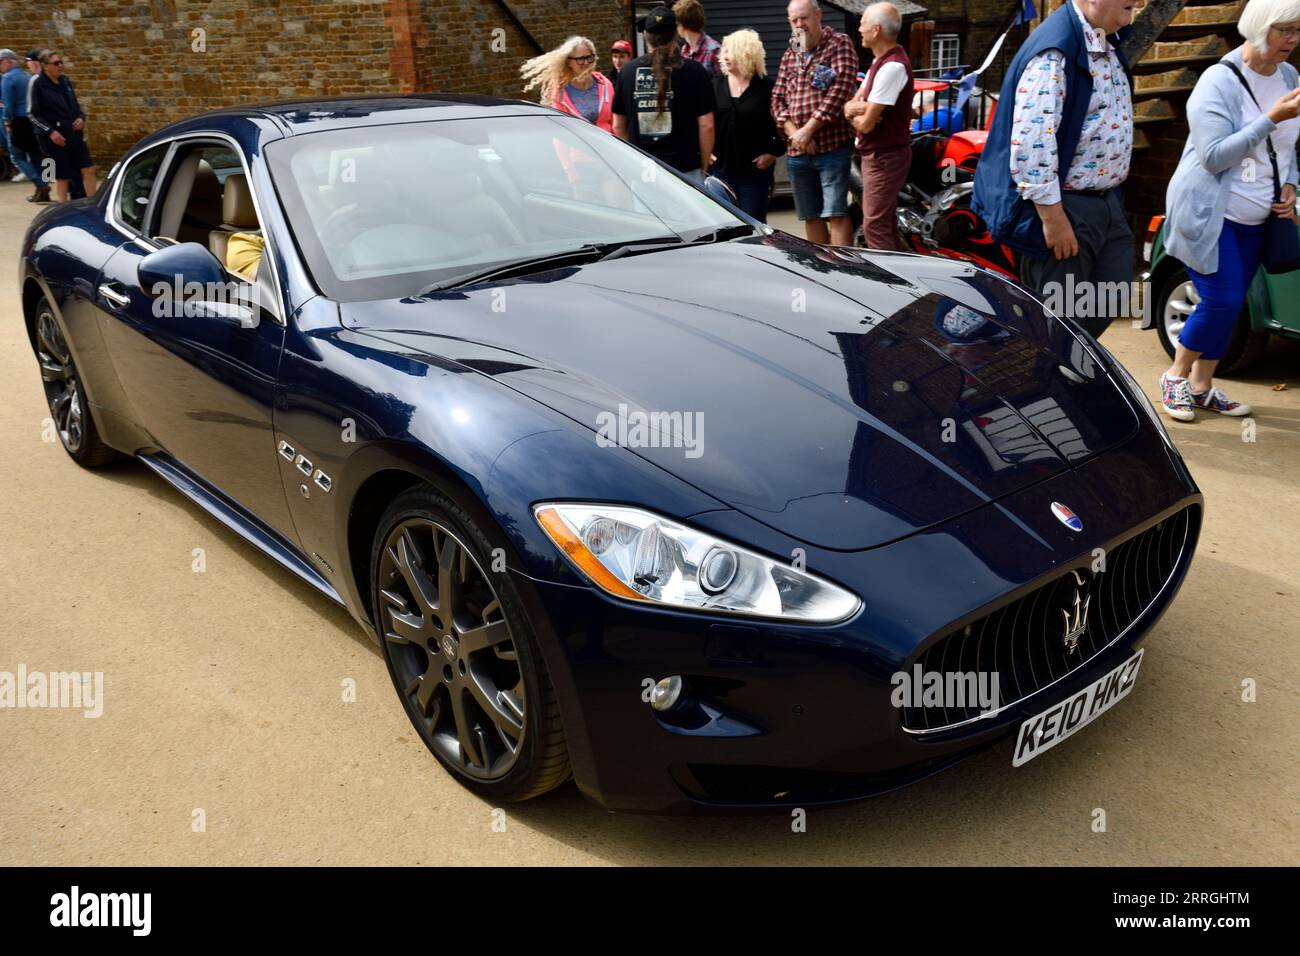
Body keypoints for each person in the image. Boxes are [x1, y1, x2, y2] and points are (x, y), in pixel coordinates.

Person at [1158, 0, 1300, 421]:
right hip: (1212, 214)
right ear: (1259, 28)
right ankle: (1175, 376)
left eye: (1297, 30)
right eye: (1284, 30)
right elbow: (1215, 155)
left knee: (1233, 300)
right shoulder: (1217, 82)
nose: (1293, 39)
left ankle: (1202, 387)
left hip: (1261, 216)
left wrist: (1290, 183)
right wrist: (1270, 118)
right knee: (1221, 299)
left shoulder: (1289, 75)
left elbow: (1288, 147)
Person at [973, 0, 1137, 340]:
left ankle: (1069, 371)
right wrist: (1052, 218)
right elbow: (1033, 140)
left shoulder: (1106, 39)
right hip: (1067, 208)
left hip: (1104, 202)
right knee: (1059, 325)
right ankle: (1052, 382)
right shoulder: (1055, 48)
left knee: (1110, 296)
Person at [771, 0, 860, 246]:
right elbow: (777, 98)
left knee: (836, 213)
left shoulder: (838, 44)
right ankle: (823, 270)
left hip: (832, 148)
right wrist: (795, 134)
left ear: (818, 15)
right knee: (810, 216)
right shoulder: (794, 50)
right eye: (794, 20)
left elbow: (840, 91)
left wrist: (808, 130)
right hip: (798, 150)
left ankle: (845, 271)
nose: (800, 24)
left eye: (804, 18)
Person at [613, 5, 716, 185]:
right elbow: (707, 125)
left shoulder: (627, 72)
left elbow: (619, 126)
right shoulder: (694, 71)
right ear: (675, 34)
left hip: (642, 172)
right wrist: (703, 166)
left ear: (646, 36)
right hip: (686, 170)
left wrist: (631, 161)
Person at [844, 3, 913, 249]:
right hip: (879, 156)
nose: (859, 29)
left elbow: (865, 125)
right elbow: (853, 105)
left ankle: (889, 283)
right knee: (884, 223)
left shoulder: (891, 67)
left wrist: (852, 113)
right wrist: (852, 109)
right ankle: (902, 277)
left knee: (875, 225)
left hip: (884, 157)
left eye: (862, 23)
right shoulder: (880, 62)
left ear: (875, 30)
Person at [710, 29, 784, 220]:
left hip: (754, 173)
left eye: (730, 51)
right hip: (720, 170)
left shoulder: (768, 88)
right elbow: (704, 122)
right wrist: (706, 151)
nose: (724, 56)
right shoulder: (714, 86)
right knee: (723, 224)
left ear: (746, 52)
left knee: (753, 223)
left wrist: (773, 152)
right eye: (724, 51)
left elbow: (782, 124)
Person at [28, 50, 97, 202]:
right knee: (62, 177)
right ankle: (62, 207)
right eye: (56, 63)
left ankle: (93, 203)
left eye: (61, 62)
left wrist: (80, 118)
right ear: (45, 66)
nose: (60, 65)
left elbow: (76, 105)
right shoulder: (37, 84)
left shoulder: (65, 81)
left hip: (74, 134)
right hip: (54, 139)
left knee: (89, 169)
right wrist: (51, 132)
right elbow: (32, 114)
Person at [521, 35, 615, 133]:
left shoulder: (605, 85)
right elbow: (560, 131)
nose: (586, 62)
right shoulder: (559, 93)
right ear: (568, 62)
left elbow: (616, 122)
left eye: (589, 57)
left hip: (606, 146)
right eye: (580, 59)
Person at [1, 49, 45, 200]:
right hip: (31, 119)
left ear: (7, 61)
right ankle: (42, 190)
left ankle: (41, 184)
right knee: (35, 155)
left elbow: (8, 104)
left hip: (18, 121)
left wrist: (7, 121)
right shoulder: (27, 76)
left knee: (16, 156)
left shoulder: (7, 78)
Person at [675, 0, 722, 78]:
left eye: (676, 23)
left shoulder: (713, 50)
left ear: (682, 24)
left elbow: (721, 86)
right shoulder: (684, 49)